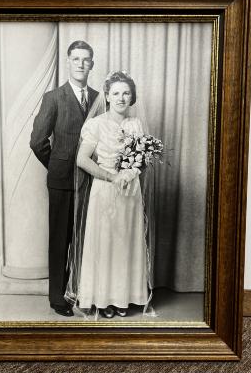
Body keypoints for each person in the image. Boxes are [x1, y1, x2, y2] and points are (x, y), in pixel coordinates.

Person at [65, 71, 151, 319]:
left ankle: (123, 297)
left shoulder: (136, 124)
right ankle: (103, 299)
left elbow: (142, 159)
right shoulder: (96, 124)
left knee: (126, 242)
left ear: (132, 96)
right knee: (106, 243)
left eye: (126, 93)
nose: (121, 98)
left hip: (130, 193)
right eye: (116, 93)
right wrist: (113, 177)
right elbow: (82, 160)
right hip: (105, 189)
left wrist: (132, 171)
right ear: (107, 96)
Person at [30, 41, 98, 317]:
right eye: (76, 59)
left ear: (92, 64)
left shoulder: (98, 97)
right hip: (62, 181)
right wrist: (57, 166)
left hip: (92, 181)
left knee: (87, 236)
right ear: (68, 62)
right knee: (60, 238)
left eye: (86, 59)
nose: (81, 64)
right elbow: (37, 142)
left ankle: (83, 290)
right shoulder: (53, 97)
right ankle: (57, 297)